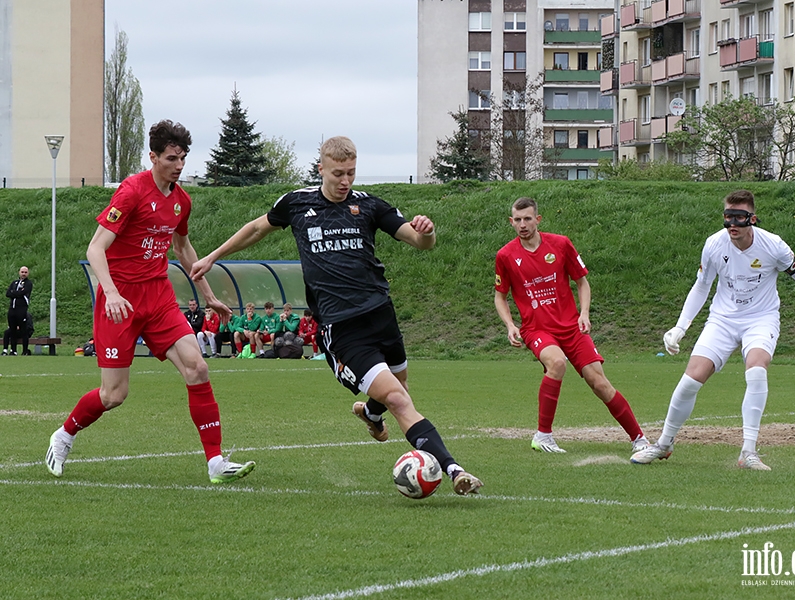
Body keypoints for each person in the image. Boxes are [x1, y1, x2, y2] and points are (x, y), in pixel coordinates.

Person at [191, 135, 482, 495]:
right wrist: (212, 257)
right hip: (342, 327)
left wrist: (428, 232)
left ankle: (371, 415)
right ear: (321, 169)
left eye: (351, 173)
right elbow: (256, 228)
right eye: (338, 174)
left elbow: (418, 242)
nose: (345, 182)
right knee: (399, 399)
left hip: (381, 314)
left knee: (399, 390)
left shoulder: (369, 205)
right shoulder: (297, 204)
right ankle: (454, 470)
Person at [43, 119, 255, 484]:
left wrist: (208, 296)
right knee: (114, 394)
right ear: (153, 157)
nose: (179, 165)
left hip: (158, 298)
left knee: (197, 367)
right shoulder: (130, 193)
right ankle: (63, 435)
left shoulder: (180, 200)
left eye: (183, 158)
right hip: (120, 302)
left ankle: (216, 462)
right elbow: (96, 248)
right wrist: (110, 292)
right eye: (172, 158)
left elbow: (183, 248)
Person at [631, 190, 795, 471]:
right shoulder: (714, 244)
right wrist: (681, 326)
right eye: (728, 217)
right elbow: (702, 285)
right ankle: (664, 444)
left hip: (761, 319)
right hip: (722, 320)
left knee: (756, 370)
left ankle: (748, 453)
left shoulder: (773, 245)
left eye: (739, 218)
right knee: (690, 380)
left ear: (752, 218)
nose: (732, 225)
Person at [494, 197, 648, 454]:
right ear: (511, 222)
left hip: (571, 328)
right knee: (556, 363)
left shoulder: (561, 244)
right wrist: (510, 325)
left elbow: (582, 282)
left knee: (599, 382)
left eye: (527, 219)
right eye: (517, 220)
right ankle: (543, 436)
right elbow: (500, 296)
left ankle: (639, 439)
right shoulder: (506, 255)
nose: (522, 224)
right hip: (537, 329)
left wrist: (584, 313)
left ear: (538, 220)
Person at [4, 266, 32, 356]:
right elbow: (8, 293)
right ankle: (13, 350)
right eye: (22, 272)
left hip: (21, 310)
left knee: (23, 331)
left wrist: (14, 293)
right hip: (12, 309)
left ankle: (24, 351)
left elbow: (23, 293)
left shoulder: (28, 283)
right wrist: (16, 293)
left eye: (25, 272)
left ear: (28, 273)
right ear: (19, 272)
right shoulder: (14, 283)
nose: (23, 273)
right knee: (12, 330)